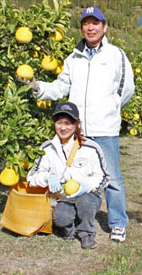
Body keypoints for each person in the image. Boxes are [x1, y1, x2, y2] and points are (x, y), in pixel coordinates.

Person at [23, 6, 135, 242]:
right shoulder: (73, 59)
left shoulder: (116, 55)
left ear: (104, 27)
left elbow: (126, 90)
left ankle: (117, 223)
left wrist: (111, 109)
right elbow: (59, 88)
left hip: (104, 129)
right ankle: (75, 218)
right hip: (77, 131)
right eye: (86, 23)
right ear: (82, 28)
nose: (91, 27)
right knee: (73, 175)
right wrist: (36, 86)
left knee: (111, 178)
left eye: (96, 23)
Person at [27, 101, 109, 249]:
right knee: (61, 218)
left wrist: (86, 186)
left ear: (76, 124)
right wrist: (47, 177)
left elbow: (103, 176)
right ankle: (69, 230)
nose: (63, 127)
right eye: (59, 123)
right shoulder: (47, 148)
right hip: (62, 198)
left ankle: (86, 234)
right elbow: (31, 176)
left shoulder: (90, 148)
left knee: (85, 202)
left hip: (87, 196)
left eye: (68, 123)